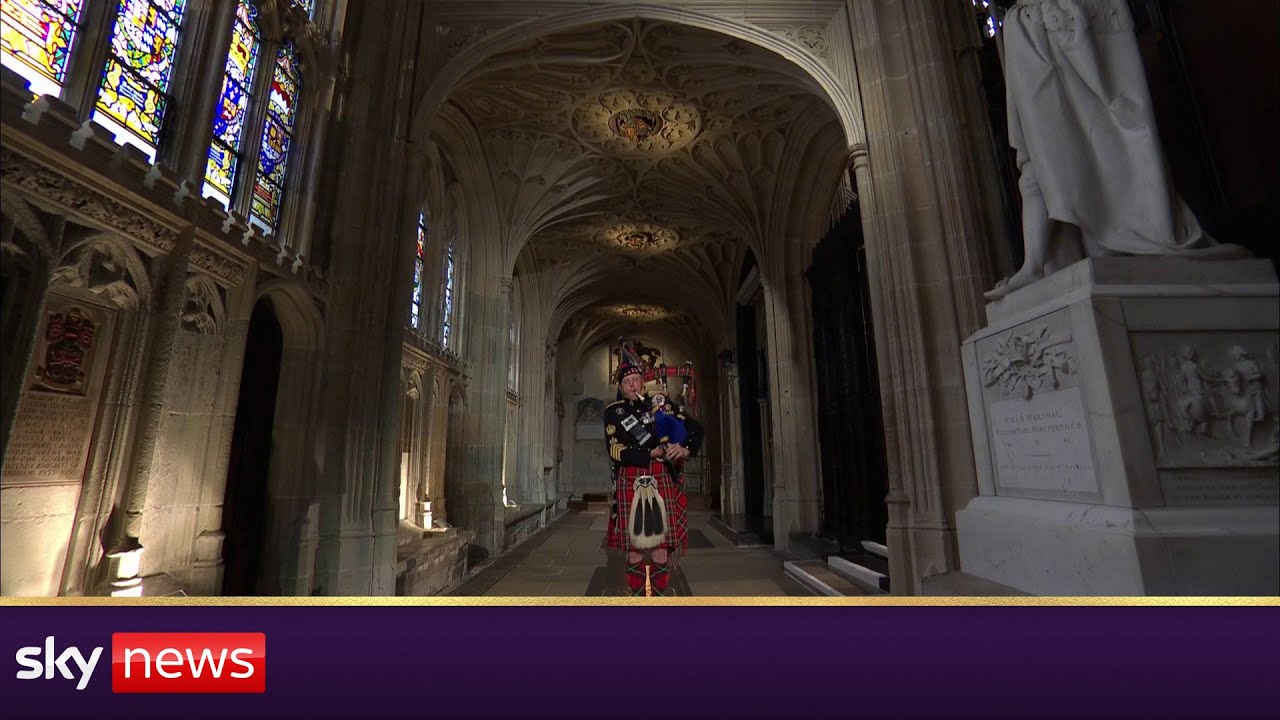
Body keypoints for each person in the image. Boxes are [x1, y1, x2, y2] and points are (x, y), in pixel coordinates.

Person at [985, 0, 1241, 301]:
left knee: (1068, 155)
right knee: (1034, 163)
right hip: (1031, 35)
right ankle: (1033, 264)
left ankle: (1101, 240)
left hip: (1061, 34)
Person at [603, 359, 703, 596]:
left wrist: (685, 449)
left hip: (661, 478)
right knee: (635, 549)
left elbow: (695, 430)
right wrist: (650, 453)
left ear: (643, 383)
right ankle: (639, 599)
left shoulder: (661, 405)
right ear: (621, 388)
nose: (632, 385)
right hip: (630, 480)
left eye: (636, 380)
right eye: (627, 382)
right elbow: (615, 451)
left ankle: (657, 599)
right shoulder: (613, 412)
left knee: (661, 547)